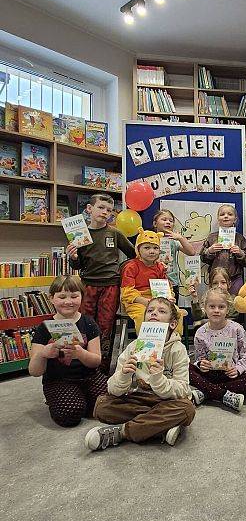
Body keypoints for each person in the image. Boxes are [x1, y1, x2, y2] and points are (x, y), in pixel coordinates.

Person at [85, 297, 195, 451]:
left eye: (161, 311)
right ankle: (159, 427)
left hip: (166, 401)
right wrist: (123, 375)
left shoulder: (178, 350)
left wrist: (159, 379)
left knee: (186, 409)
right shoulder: (133, 347)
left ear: (172, 324)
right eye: (150, 310)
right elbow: (113, 389)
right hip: (138, 399)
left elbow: (183, 390)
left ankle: (122, 432)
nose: (154, 313)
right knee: (101, 406)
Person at [66, 193, 135, 369]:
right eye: (101, 207)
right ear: (89, 209)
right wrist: (73, 257)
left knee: (106, 325)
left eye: (109, 210)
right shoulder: (80, 234)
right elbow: (77, 264)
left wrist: (122, 272)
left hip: (110, 285)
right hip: (87, 285)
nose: (105, 212)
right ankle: (84, 363)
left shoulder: (114, 233)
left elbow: (134, 254)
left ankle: (102, 367)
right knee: (84, 323)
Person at [29, 275, 107, 427]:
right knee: (70, 414)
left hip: (90, 377)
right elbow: (34, 371)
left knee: (111, 404)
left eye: (74, 296)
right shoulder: (44, 327)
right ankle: (73, 401)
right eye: (62, 297)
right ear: (51, 298)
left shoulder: (89, 323)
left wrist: (80, 353)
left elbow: (96, 361)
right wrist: (44, 353)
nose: (68, 301)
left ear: (82, 297)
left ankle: (83, 401)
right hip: (58, 380)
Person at [189, 289, 246, 411]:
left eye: (221, 307)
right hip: (209, 374)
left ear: (228, 309)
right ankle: (223, 394)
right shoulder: (200, 332)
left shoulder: (237, 329)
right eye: (212, 306)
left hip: (231, 374)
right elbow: (199, 358)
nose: (216, 310)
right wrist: (201, 364)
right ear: (205, 308)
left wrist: (237, 369)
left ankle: (206, 392)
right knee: (187, 368)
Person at [120, 229, 178, 334]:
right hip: (137, 302)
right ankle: (146, 342)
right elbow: (127, 292)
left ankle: (171, 341)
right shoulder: (131, 266)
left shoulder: (160, 267)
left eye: (155, 248)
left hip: (157, 300)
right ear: (138, 249)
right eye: (147, 248)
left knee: (176, 313)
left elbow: (166, 286)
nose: (152, 251)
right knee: (144, 315)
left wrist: (169, 297)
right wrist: (147, 302)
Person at [200, 204, 246, 295]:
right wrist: (210, 251)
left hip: (235, 278)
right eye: (222, 214)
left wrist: (240, 253)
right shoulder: (211, 237)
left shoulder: (240, 238)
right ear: (218, 219)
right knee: (217, 301)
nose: (226, 216)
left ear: (235, 219)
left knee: (235, 302)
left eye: (230, 214)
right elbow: (203, 258)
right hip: (216, 279)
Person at [152, 208, 197, 300]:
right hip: (156, 281)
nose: (168, 222)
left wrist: (180, 238)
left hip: (173, 282)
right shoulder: (151, 239)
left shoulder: (174, 241)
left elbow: (191, 252)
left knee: (172, 307)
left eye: (171, 221)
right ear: (155, 224)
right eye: (164, 219)